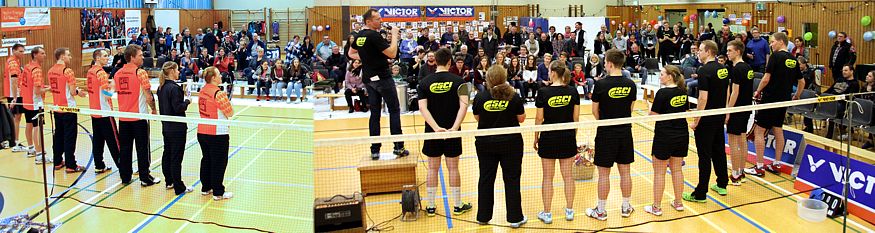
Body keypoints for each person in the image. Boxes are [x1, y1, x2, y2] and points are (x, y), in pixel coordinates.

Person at [348, 9, 410, 159]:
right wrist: (394, 35)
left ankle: (374, 150)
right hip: (382, 79)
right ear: (368, 21)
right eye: (377, 19)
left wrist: (369, 58)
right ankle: (398, 147)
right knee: (394, 110)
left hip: (369, 80)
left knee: (374, 114)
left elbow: (351, 53)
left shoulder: (359, 36)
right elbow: (393, 53)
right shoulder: (374, 36)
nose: (380, 21)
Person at [417, 48, 471, 217]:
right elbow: (464, 106)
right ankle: (457, 205)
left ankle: (431, 206)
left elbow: (422, 108)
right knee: (453, 168)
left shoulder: (424, 82)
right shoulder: (460, 81)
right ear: (450, 62)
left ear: (435, 61)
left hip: (433, 132)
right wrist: (454, 128)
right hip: (452, 133)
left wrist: (435, 128)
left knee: (432, 169)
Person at [473, 65, 527, 228]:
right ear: (504, 78)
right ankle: (515, 218)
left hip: (486, 144)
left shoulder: (481, 96)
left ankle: (483, 216)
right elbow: (522, 118)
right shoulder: (514, 96)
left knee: (486, 179)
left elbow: (477, 117)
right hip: (511, 144)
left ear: (488, 79)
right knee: (512, 179)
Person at [745, 32, 805, 177]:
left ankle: (759, 167)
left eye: (772, 42)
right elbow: (801, 82)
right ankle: (777, 164)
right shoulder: (793, 60)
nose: (771, 45)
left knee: (759, 131)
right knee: (778, 130)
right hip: (783, 100)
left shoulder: (775, 56)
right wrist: (796, 96)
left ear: (780, 42)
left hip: (770, 100)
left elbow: (766, 78)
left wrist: (757, 91)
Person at [587, 49, 637, 220]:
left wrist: (605, 121)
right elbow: (630, 109)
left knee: (603, 174)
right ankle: (625, 207)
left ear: (609, 63)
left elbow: (594, 111)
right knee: (626, 172)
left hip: (606, 133)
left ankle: (601, 211)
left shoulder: (600, 84)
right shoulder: (631, 84)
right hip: (625, 132)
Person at [683, 40, 730, 203]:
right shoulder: (723, 69)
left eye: (701, 50)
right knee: (719, 151)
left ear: (709, 52)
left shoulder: (704, 71)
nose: (698, 53)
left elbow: (703, 98)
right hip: (719, 116)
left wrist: (696, 120)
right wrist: (725, 112)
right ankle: (722, 184)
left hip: (707, 119)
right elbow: (726, 91)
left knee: (704, 156)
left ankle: (700, 193)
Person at [535, 60, 580, 224]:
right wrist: (572, 136)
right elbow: (576, 118)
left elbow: (539, 119)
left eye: (548, 70)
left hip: (548, 138)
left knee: (548, 177)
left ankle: (547, 213)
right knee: (568, 176)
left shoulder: (543, 92)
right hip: (567, 137)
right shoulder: (573, 92)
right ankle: (569, 210)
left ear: (553, 72)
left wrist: (535, 137)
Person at [644, 65, 688, 216]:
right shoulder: (683, 92)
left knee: (659, 173)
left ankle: (656, 207)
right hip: (681, 135)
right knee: (677, 170)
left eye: (662, 74)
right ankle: (678, 203)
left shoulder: (662, 93)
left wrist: (649, 105)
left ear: (670, 76)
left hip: (664, 137)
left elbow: (654, 115)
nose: (660, 76)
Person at [115, 45, 161, 186]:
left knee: (125, 149)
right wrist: (154, 109)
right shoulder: (140, 73)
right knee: (142, 148)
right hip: (139, 118)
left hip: (123, 118)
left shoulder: (117, 74)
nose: (143, 57)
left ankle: (125, 177)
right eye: (140, 55)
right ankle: (145, 178)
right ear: (132, 57)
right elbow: (148, 96)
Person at [156, 61, 194, 195]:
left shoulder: (161, 87)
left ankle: (169, 181)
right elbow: (178, 108)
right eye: (177, 70)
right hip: (177, 128)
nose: (179, 72)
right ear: (172, 71)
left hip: (166, 127)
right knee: (176, 158)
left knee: (167, 154)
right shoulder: (174, 88)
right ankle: (179, 187)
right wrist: (187, 101)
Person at [198, 67, 235, 200]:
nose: (221, 76)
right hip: (218, 133)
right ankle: (218, 192)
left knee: (206, 159)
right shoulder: (219, 93)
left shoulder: (202, 91)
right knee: (219, 162)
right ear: (213, 78)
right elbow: (230, 112)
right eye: (219, 74)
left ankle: (206, 187)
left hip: (202, 131)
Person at [48, 48, 87, 173]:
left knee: (58, 135)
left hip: (57, 108)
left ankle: (57, 162)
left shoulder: (50, 71)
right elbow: (71, 91)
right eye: (68, 55)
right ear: (62, 56)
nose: (70, 57)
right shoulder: (67, 71)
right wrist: (78, 92)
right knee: (70, 137)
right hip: (68, 108)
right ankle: (71, 165)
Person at [724, 40, 754, 185]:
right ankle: (741, 172)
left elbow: (735, 92)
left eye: (730, 51)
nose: (727, 53)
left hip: (737, 109)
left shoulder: (736, 69)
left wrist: (728, 111)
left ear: (737, 51)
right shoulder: (748, 68)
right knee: (742, 141)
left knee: (733, 143)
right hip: (746, 108)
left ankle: (735, 174)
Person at [86, 49, 120, 174]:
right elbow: (106, 95)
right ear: (98, 58)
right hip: (104, 112)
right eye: (105, 56)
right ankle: (123, 167)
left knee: (98, 140)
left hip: (94, 111)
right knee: (114, 141)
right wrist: (113, 88)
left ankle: (99, 165)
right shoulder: (100, 73)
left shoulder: (90, 71)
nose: (107, 58)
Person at [21, 47, 49, 163]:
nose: (45, 55)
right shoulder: (36, 70)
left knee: (29, 124)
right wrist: (49, 88)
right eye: (42, 53)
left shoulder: (27, 67)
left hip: (26, 100)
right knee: (37, 128)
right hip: (36, 102)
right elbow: (37, 91)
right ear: (35, 55)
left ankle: (31, 148)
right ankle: (39, 154)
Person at [822, 64, 860, 139]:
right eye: (843, 70)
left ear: (851, 71)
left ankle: (830, 134)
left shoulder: (854, 83)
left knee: (833, 108)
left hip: (842, 104)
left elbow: (849, 97)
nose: (843, 72)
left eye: (846, 70)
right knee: (815, 101)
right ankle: (809, 128)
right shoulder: (839, 79)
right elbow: (830, 89)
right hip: (831, 100)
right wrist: (821, 95)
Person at [5, 44, 27, 153]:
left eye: (23, 51)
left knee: (17, 118)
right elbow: (13, 81)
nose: (22, 53)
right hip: (15, 94)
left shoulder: (16, 61)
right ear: (13, 51)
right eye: (20, 51)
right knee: (16, 118)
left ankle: (15, 141)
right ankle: (15, 143)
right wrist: (14, 98)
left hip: (17, 93)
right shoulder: (13, 62)